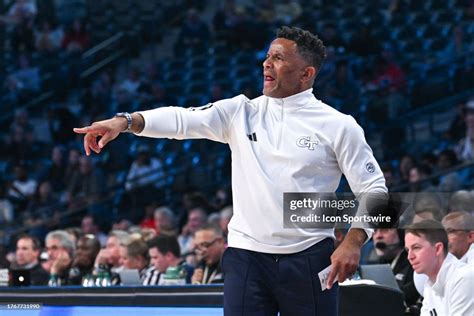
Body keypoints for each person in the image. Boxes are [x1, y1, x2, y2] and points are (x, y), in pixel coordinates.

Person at [75, 26, 388, 315]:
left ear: (306, 74)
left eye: (278, 58)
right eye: (267, 56)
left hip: (308, 257)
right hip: (246, 255)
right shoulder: (241, 110)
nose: (266, 63)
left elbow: (375, 190)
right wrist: (124, 122)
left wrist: (353, 241)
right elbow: (182, 120)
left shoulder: (338, 125)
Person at [405, 219, 474, 316]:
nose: (410, 256)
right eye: (408, 250)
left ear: (438, 249)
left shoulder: (464, 278)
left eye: (416, 248)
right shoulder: (429, 284)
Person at [369, 229, 419, 307]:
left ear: (401, 233)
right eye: (374, 231)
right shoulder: (380, 263)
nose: (378, 236)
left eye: (385, 230)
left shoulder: (415, 263)